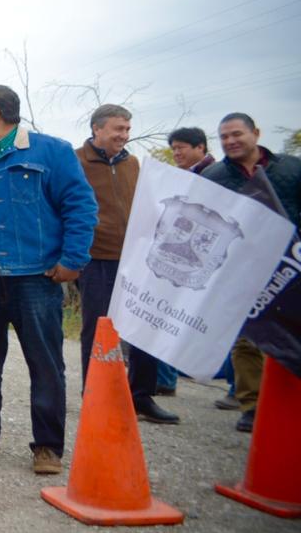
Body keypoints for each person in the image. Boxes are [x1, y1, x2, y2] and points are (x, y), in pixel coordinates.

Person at [0, 85, 97, 475]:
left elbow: (80, 206)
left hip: (35, 278)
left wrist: (73, 260)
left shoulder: (51, 152)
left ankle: (47, 446)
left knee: (44, 362)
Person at [74, 105, 178, 424]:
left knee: (143, 326)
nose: (124, 135)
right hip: (95, 257)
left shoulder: (133, 163)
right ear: (97, 129)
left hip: (136, 257)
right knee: (99, 328)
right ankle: (96, 394)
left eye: (128, 129)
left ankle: (141, 397)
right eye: (118, 128)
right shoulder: (76, 161)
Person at [201, 112, 301, 434]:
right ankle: (251, 404)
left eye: (236, 134)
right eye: (224, 137)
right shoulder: (213, 177)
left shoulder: (292, 168)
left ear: (255, 133)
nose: (230, 141)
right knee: (247, 337)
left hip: (293, 265)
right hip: (242, 269)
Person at [160, 126, 217, 399]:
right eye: (174, 149)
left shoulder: (214, 177)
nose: (177, 153)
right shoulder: (183, 177)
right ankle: (167, 376)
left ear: (201, 148)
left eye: (181, 147)